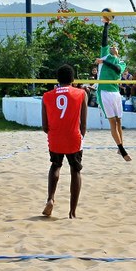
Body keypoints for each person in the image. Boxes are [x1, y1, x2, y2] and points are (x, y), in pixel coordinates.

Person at [41, 64, 88, 219]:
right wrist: (81, 136)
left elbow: (44, 126)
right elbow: (84, 123)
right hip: (73, 137)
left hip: (55, 137)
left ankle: (50, 199)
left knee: (55, 166)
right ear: (73, 79)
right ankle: (72, 212)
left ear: (57, 79)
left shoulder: (47, 96)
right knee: (75, 171)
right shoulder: (81, 93)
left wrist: (55, 133)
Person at [95, 8, 131, 161]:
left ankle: (120, 145)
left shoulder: (120, 62)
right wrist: (106, 25)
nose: (112, 46)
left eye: (115, 47)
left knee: (119, 121)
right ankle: (121, 149)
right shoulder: (105, 54)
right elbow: (104, 39)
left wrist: (104, 62)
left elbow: (117, 69)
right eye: (111, 46)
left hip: (116, 93)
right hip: (104, 91)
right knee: (112, 122)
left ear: (118, 50)